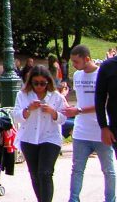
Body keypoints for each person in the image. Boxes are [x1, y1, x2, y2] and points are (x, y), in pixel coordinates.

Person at [64, 44, 115, 202]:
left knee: (108, 170)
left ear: (87, 58)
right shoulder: (78, 76)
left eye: (76, 61)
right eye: (72, 62)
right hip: (81, 131)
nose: (74, 65)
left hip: (101, 130)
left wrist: (78, 110)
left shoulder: (102, 72)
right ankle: (73, 199)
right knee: (77, 169)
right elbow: (80, 99)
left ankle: (110, 199)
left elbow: (104, 102)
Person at [13, 64, 66, 202]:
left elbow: (63, 118)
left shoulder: (56, 97)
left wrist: (52, 112)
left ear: (48, 82)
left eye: (43, 83)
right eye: (36, 83)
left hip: (50, 137)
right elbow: (17, 116)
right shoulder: (22, 95)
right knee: (35, 174)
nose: (39, 87)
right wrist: (28, 109)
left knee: (45, 173)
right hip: (29, 138)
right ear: (30, 82)